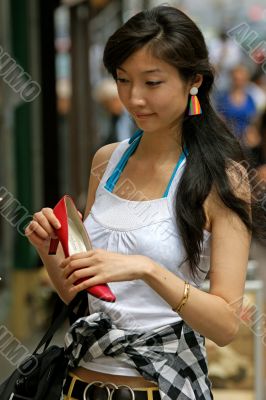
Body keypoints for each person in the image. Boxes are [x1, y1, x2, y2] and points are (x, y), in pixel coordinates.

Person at [25, 5, 264, 400]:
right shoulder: (107, 161)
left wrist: (147, 270)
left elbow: (225, 327)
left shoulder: (221, 180)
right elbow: (84, 298)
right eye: (122, 80)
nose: (134, 98)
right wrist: (51, 250)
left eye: (152, 82)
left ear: (194, 81)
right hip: (78, 386)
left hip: (165, 387)